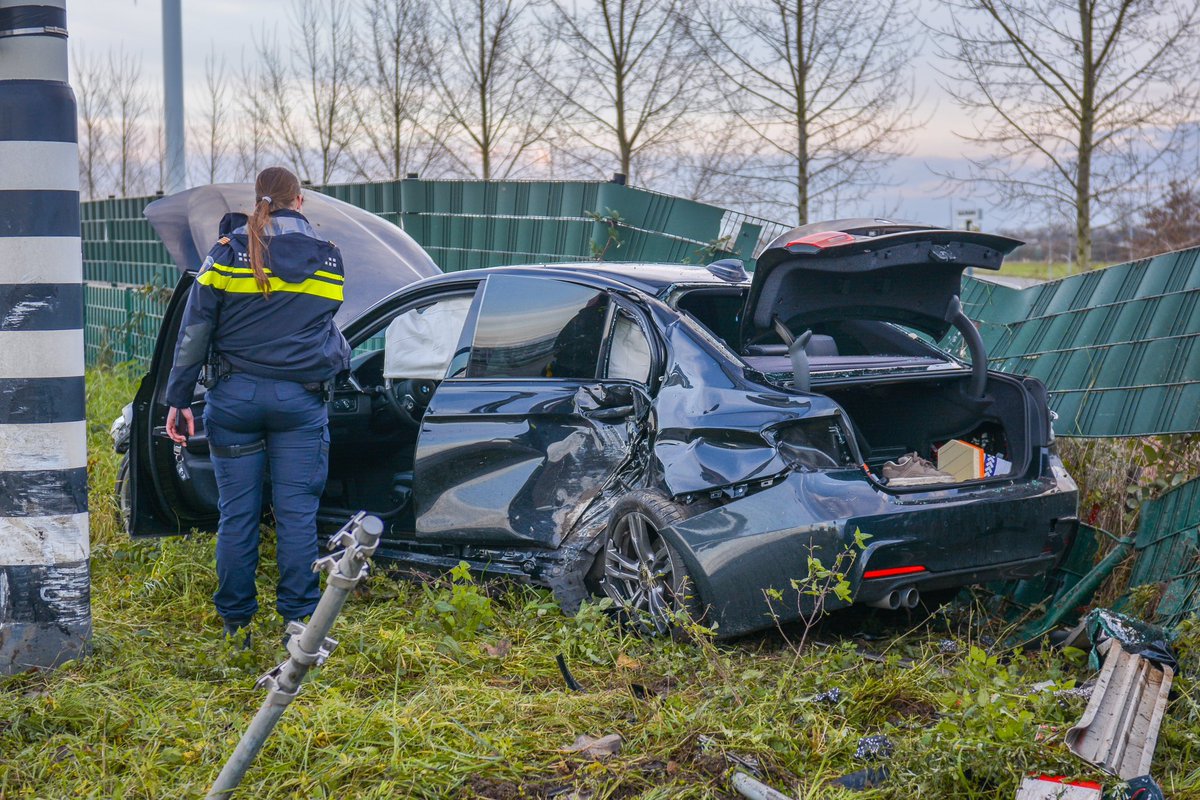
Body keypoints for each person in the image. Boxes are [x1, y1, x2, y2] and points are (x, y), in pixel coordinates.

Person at [163, 166, 350, 645]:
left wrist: (178, 398)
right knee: (296, 516)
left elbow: (195, 331)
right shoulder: (330, 260)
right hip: (300, 404)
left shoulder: (225, 254)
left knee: (238, 515)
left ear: (258, 200)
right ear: (300, 200)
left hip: (235, 401)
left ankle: (236, 627)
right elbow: (325, 332)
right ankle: (299, 625)